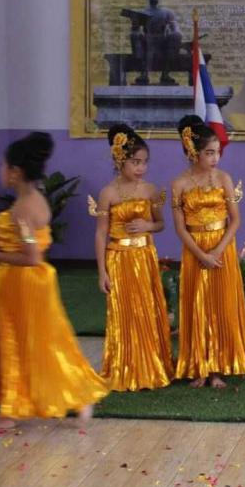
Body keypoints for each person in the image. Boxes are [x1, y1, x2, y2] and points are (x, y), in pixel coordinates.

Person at [0, 132, 108, 428]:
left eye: (3, 166)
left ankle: (12, 409)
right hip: (29, 281)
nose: (1, 171)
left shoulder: (24, 208)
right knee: (47, 339)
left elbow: (32, 256)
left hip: (22, 283)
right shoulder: (35, 200)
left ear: (15, 171)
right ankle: (76, 396)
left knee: (18, 340)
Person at [90, 124, 172, 391]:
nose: (141, 168)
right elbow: (101, 233)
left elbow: (161, 224)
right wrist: (102, 271)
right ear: (119, 160)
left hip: (144, 257)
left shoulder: (150, 190)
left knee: (146, 310)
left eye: (145, 162)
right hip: (118, 258)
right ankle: (124, 367)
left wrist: (148, 226)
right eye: (135, 162)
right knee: (123, 313)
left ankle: (150, 365)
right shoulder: (108, 193)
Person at [171, 115, 245, 388]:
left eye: (217, 152)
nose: (215, 158)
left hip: (222, 248)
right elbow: (180, 228)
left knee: (221, 304)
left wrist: (217, 250)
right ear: (193, 152)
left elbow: (235, 220)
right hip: (194, 250)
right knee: (198, 304)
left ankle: (219, 367)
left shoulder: (224, 178)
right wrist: (202, 254)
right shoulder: (179, 184)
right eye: (209, 152)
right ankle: (199, 366)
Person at [128, 0, 182, 85]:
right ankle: (143, 73)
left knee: (176, 35)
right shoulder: (141, 13)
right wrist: (135, 25)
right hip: (147, 40)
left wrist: (175, 34)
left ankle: (165, 73)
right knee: (134, 35)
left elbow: (175, 29)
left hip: (163, 40)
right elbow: (135, 30)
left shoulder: (167, 12)